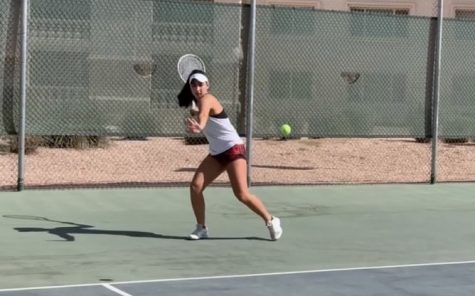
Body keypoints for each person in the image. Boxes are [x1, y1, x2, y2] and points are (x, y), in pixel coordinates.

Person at [177, 70, 283, 241]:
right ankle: (201, 228)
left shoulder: (208, 99)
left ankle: (271, 220)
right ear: (190, 88)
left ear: (207, 85)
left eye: (200, 84)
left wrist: (199, 125)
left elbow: (203, 117)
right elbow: (200, 114)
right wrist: (196, 116)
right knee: (196, 186)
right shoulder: (197, 103)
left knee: (241, 194)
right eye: (194, 85)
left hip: (233, 149)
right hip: (217, 153)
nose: (198, 88)